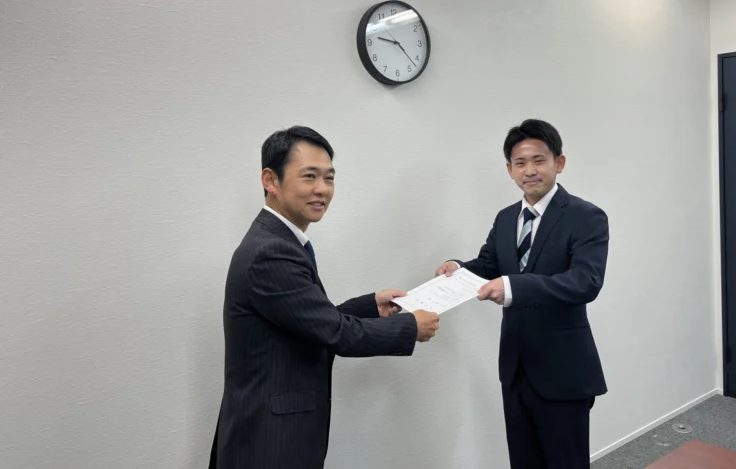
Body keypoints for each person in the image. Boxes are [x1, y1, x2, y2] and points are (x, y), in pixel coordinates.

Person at [209, 126, 439, 469]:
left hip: (271, 432)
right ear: (271, 180)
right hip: (269, 441)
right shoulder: (271, 251)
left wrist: (370, 306)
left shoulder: (277, 241)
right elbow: (336, 333)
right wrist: (411, 327)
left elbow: (308, 320)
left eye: (329, 178)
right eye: (309, 176)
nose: (322, 189)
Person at [436, 119, 608, 469]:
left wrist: (514, 286)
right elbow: (489, 264)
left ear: (559, 163)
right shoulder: (506, 218)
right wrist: (458, 268)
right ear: (510, 170)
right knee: (524, 461)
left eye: (539, 160)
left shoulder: (586, 216)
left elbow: (585, 281)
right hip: (515, 367)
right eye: (520, 163)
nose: (530, 170)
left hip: (564, 369)